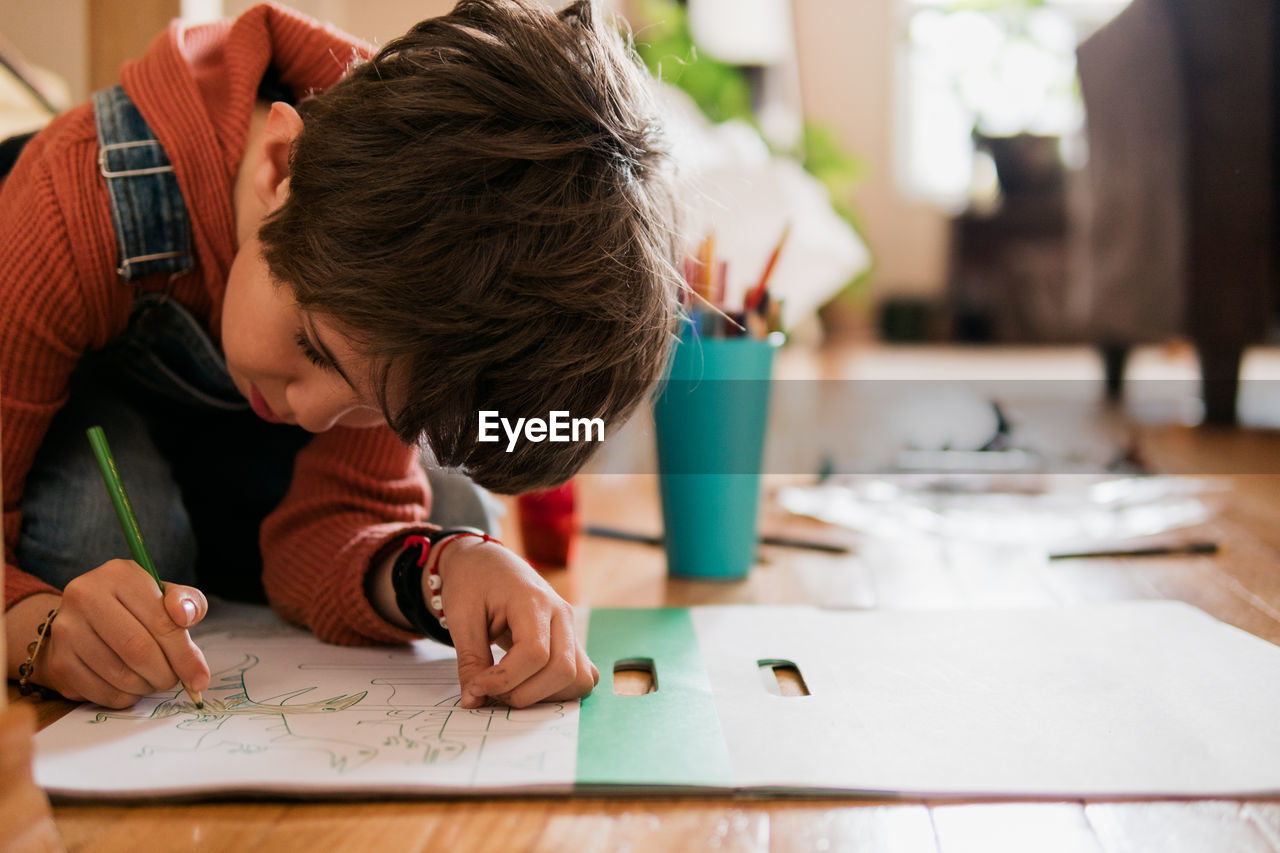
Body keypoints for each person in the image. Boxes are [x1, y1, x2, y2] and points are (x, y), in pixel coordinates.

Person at [1, 0, 680, 710]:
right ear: (276, 165)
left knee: (460, 518)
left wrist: (440, 573)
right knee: (106, 538)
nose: (319, 415)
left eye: (375, 405)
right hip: (55, 398)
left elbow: (332, 526)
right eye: (313, 347)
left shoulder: (410, 296)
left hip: (217, 432)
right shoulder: (71, 204)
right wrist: (34, 628)